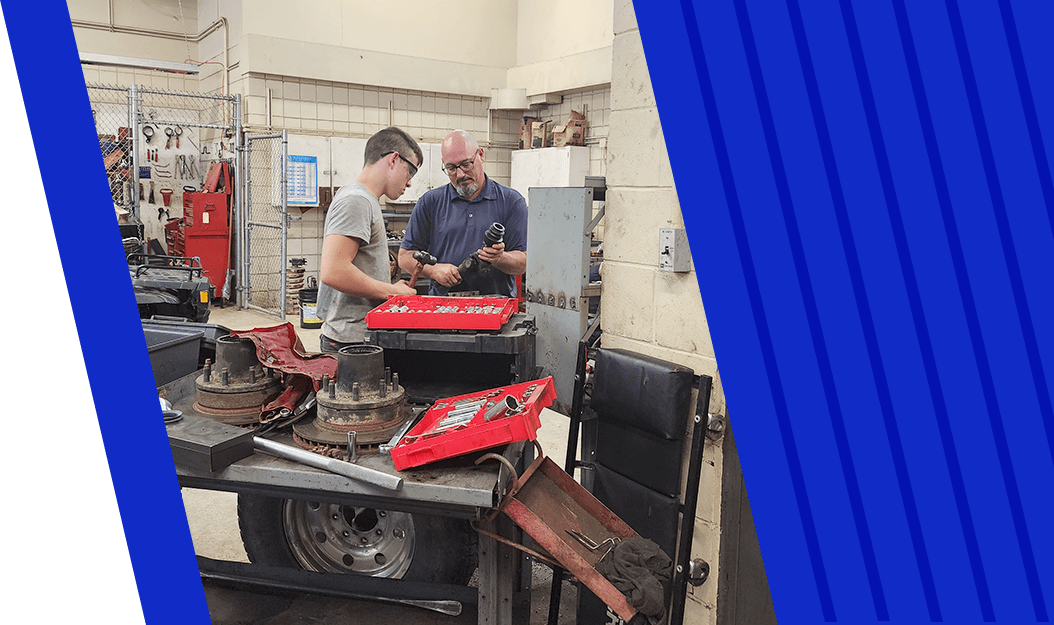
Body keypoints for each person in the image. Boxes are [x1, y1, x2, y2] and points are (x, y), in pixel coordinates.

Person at [316, 127, 421, 352]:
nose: (410, 182)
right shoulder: (356, 200)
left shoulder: (363, 199)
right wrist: (390, 292)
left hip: (357, 337)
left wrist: (390, 287)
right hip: (350, 343)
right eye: (410, 171)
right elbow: (333, 271)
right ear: (394, 159)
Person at [398, 130, 527, 297]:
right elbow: (404, 257)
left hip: (495, 308)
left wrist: (499, 258)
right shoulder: (429, 202)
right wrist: (434, 270)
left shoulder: (511, 201)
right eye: (451, 168)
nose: (460, 174)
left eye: (466, 164)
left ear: (481, 155)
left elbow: (523, 263)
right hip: (443, 308)